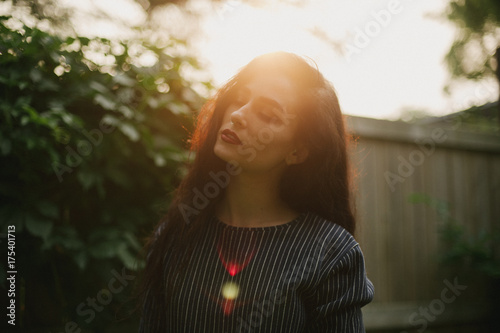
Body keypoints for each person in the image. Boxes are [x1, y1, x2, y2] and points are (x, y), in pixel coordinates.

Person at [138, 52, 374, 332]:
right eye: (239, 99)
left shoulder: (331, 253)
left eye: (267, 114)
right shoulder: (177, 232)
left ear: (297, 151)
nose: (237, 115)